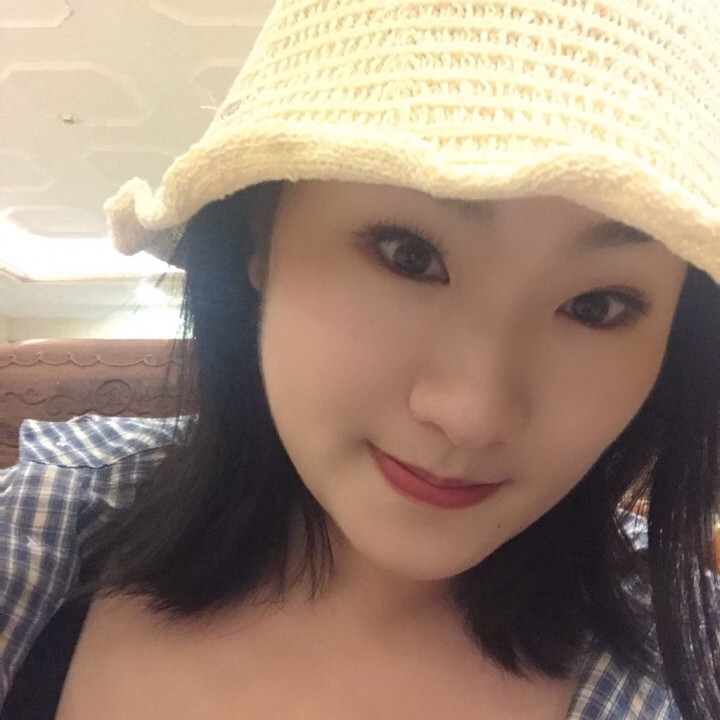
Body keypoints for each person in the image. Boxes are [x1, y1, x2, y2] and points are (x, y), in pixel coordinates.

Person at [1, 0, 719, 718]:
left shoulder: (689, 660)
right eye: (410, 255)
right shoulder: (40, 527)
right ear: (260, 238)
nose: (472, 415)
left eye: (596, 306)